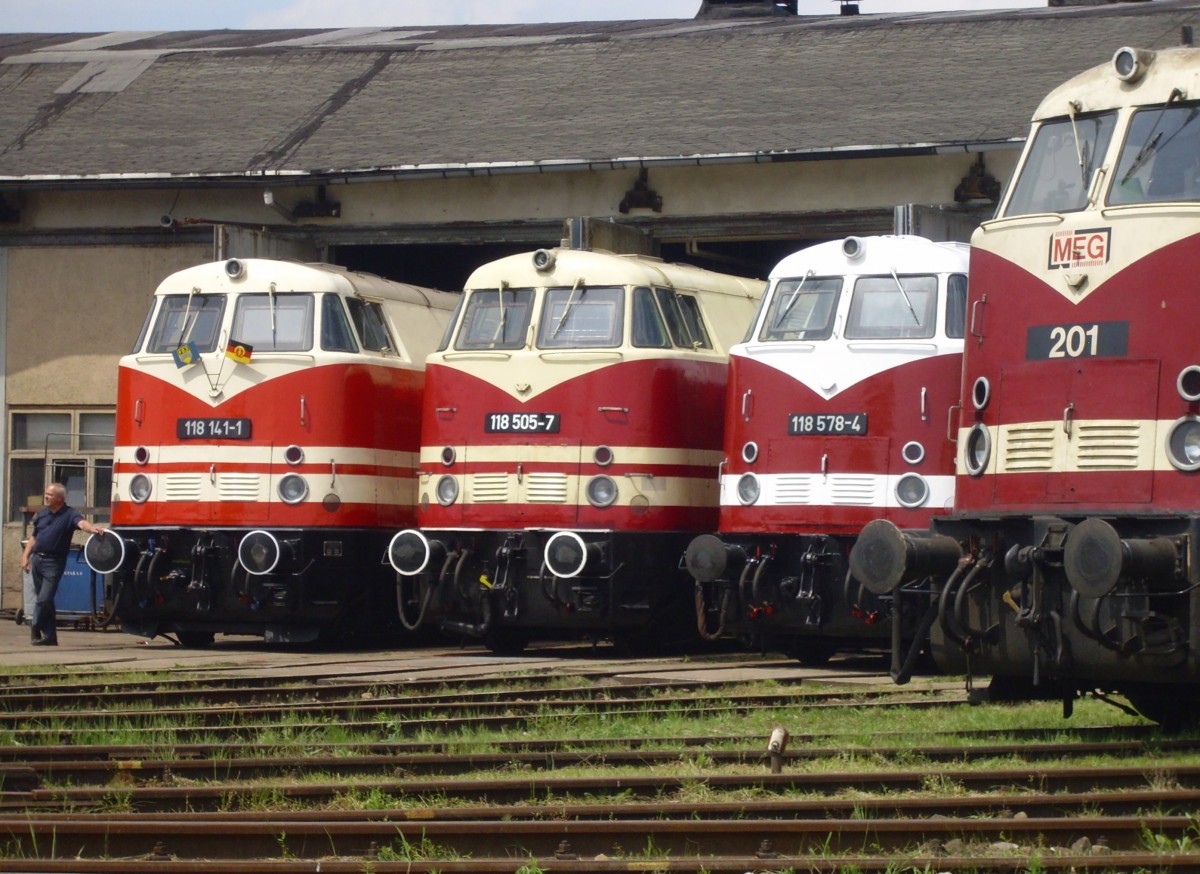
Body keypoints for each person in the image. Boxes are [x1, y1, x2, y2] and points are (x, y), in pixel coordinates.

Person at [19, 483, 106, 646]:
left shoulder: (69, 514)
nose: (46, 497)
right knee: (46, 601)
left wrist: (92, 529)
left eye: (50, 495)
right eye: (46, 493)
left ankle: (35, 626)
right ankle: (50, 637)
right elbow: (34, 537)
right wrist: (25, 556)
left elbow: (82, 523)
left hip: (54, 562)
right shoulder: (42, 514)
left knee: (44, 598)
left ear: (60, 499)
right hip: (37, 560)